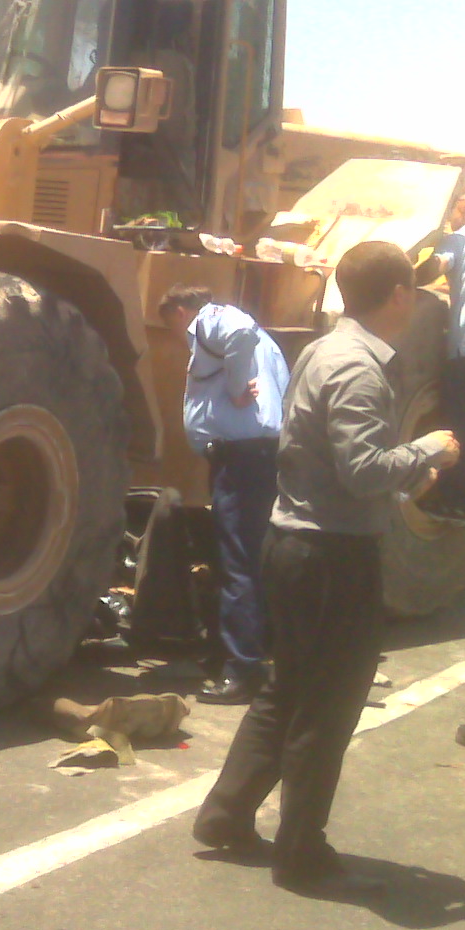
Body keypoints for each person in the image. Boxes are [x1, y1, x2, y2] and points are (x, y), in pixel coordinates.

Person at [192, 241, 461, 898]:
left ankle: (226, 814)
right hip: (331, 557)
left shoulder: (322, 350)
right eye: (414, 291)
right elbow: (363, 467)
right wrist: (431, 447)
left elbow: (325, 456)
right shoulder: (360, 370)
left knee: (289, 690)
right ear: (397, 295)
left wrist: (405, 482)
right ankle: (301, 850)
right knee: (330, 704)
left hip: (298, 545)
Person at [158, 284, 290, 704]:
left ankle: (242, 669)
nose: (182, 338)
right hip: (259, 456)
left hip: (241, 460)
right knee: (254, 558)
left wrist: (234, 390)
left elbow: (238, 332)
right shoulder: (265, 344)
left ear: (180, 311)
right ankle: (257, 654)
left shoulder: (213, 319)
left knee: (239, 565)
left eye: (174, 326)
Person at [416, 191, 465, 518]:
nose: (452, 216)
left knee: (457, 425)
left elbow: (437, 266)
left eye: (456, 209)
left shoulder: (458, 239)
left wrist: (407, 277)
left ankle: (452, 500)